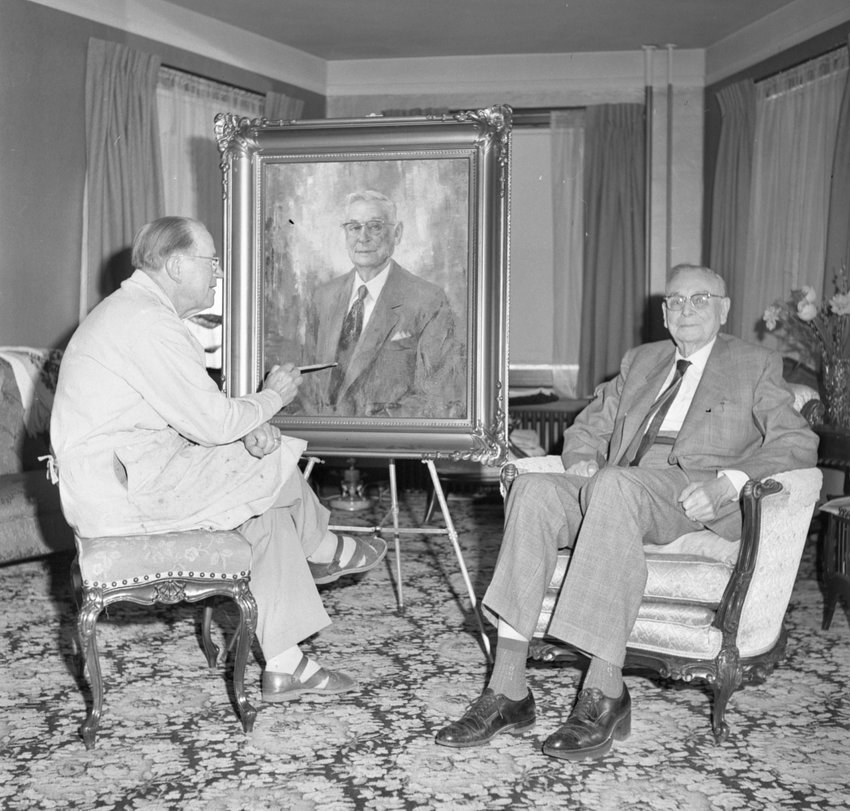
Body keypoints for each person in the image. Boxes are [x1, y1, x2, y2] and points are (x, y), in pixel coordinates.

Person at [435, 264, 818, 760]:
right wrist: (581, 461)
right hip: (615, 484)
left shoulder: (755, 363)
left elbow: (797, 442)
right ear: (663, 313)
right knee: (531, 489)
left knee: (614, 486)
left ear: (723, 309)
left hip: (688, 491)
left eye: (700, 300)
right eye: (676, 302)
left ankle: (604, 691)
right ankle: (508, 689)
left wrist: (730, 483)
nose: (686, 311)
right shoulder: (642, 360)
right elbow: (586, 428)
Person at [51, 216, 388, 702]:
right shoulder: (147, 324)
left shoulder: (138, 313)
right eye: (211, 261)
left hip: (129, 476)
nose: (217, 274)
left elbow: (183, 419)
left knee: (264, 504)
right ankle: (320, 545)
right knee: (267, 471)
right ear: (175, 264)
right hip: (121, 494)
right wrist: (270, 400)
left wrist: (246, 431)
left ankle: (286, 664)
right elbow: (212, 423)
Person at [292, 189, 464, 418]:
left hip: (388, 444)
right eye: (354, 227)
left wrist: (361, 433)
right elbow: (307, 387)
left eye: (374, 226)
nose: (362, 237)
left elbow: (434, 397)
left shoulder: (429, 300)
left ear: (398, 233)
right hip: (322, 443)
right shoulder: (323, 297)